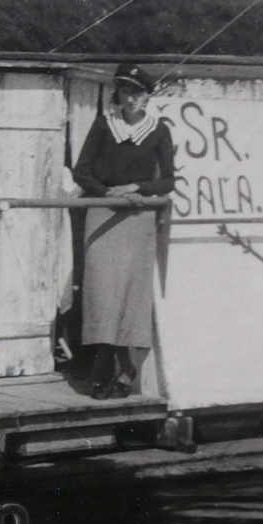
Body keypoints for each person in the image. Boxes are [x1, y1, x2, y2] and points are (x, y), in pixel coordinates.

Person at [72, 62, 175, 399]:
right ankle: (101, 364)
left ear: (147, 97)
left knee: (132, 294)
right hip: (102, 215)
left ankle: (126, 371)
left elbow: (168, 180)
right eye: (125, 91)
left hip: (138, 217)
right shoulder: (105, 124)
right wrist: (106, 192)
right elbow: (81, 171)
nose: (131, 99)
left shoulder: (158, 130)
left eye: (138, 93)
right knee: (102, 292)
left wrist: (138, 188)